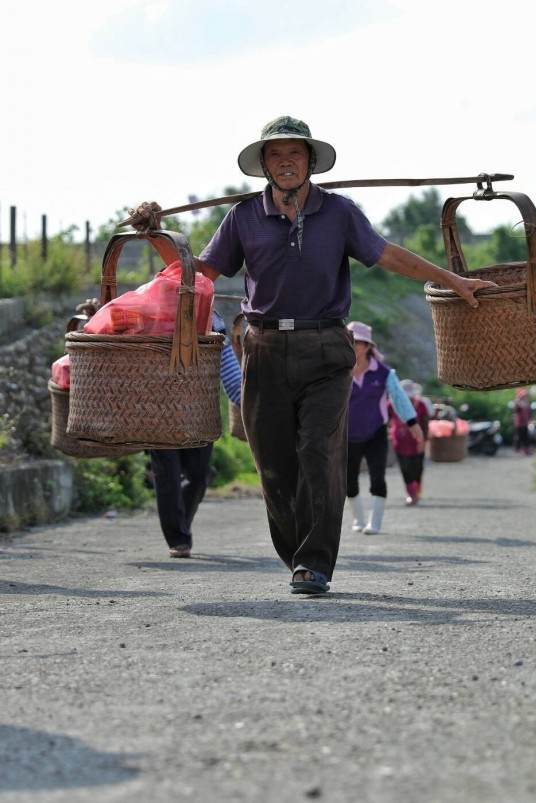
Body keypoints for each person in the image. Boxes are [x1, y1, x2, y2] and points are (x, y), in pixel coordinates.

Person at [130, 115, 495, 594]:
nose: (285, 162)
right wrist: (155, 233)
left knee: (320, 452)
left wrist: (452, 280)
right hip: (261, 347)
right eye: (275, 155)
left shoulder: (340, 213)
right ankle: (297, 554)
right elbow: (194, 279)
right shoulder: (242, 218)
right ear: (263, 165)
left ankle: (314, 562)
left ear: (310, 162)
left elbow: (390, 255)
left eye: (294, 154)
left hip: (325, 346)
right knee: (275, 465)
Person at [149, 311, 242, 558]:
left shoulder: (212, 320)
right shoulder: (151, 314)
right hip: (158, 410)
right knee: (167, 473)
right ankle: (178, 538)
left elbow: (230, 371)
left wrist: (249, 402)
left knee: (198, 475)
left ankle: (182, 522)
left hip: (198, 411)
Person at [346, 322, 423, 534]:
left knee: (377, 477)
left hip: (375, 433)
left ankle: (375, 522)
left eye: (357, 342)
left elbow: (399, 398)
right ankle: (359, 519)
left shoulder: (383, 373)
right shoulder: (339, 370)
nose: (353, 346)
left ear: (367, 346)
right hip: (346, 434)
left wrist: (413, 423)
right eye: (350, 341)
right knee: (348, 480)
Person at [389, 379, 430, 505]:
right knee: (405, 467)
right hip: (400, 441)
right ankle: (411, 493)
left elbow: (425, 424)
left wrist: (423, 441)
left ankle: (417, 491)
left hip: (417, 441)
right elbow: (383, 417)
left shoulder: (421, 405)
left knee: (418, 467)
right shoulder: (392, 405)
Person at [513, 388, 532, 456]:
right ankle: (517, 450)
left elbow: (529, 413)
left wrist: (530, 420)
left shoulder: (526, 403)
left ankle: (526, 449)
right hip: (519, 423)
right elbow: (516, 410)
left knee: (526, 436)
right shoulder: (518, 402)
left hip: (525, 422)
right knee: (519, 437)